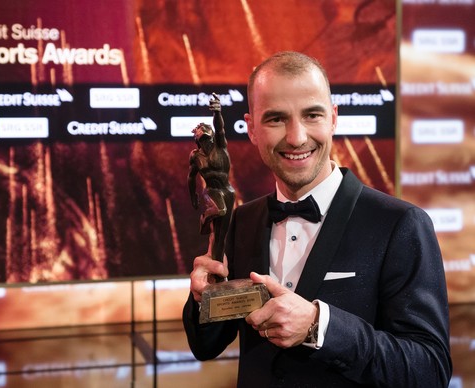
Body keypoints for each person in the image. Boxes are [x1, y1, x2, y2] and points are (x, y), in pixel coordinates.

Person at [182, 51, 452, 387]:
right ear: (251, 129)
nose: (296, 137)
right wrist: (201, 300)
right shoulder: (241, 221)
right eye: (276, 119)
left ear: (334, 118)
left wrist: (319, 325)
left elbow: (429, 370)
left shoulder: (401, 225)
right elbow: (206, 346)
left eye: (312, 115)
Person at [188, 94, 235, 264]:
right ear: (197, 140)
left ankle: (217, 267)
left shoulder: (220, 146)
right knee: (219, 210)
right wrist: (193, 195)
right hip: (211, 191)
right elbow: (191, 177)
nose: (206, 140)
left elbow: (220, 128)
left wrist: (217, 112)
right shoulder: (196, 156)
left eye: (207, 136)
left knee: (221, 236)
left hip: (227, 191)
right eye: (201, 138)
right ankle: (205, 218)